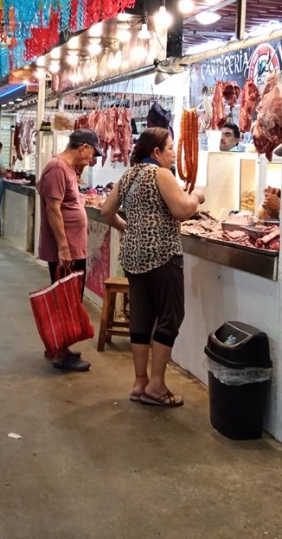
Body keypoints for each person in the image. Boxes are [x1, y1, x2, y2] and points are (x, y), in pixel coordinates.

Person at [101, 127, 204, 406]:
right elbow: (182, 210)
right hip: (161, 256)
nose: (173, 153)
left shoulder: (130, 174)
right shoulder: (161, 174)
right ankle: (157, 385)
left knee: (142, 317)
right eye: (170, 148)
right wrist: (197, 197)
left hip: (133, 257)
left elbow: (106, 211)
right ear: (156, 152)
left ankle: (140, 382)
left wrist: (128, 228)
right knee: (171, 316)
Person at [36, 129, 101, 372]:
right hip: (67, 251)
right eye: (91, 153)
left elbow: (44, 191)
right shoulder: (58, 167)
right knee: (67, 301)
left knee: (68, 300)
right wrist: (64, 248)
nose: (91, 158)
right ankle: (60, 356)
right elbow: (53, 209)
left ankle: (57, 347)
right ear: (83, 147)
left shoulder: (66, 169)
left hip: (73, 248)